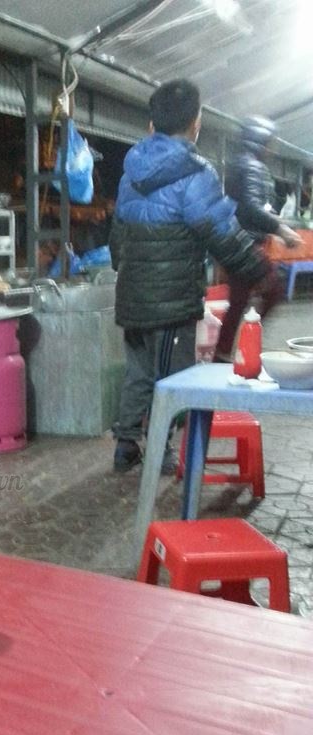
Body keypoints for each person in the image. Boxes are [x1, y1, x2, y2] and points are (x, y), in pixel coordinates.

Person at [109, 79, 270, 474]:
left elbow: (117, 236)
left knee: (138, 371)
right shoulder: (196, 174)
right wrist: (258, 270)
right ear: (196, 123)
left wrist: (127, 271)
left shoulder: (130, 173)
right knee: (171, 378)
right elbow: (221, 231)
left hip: (132, 296)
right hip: (171, 303)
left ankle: (126, 446)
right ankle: (161, 450)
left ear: (151, 124)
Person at [216, 117, 303, 360]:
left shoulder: (241, 164)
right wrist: (280, 229)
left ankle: (223, 353)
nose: (272, 148)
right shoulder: (252, 167)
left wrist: (273, 225)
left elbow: (251, 206)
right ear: (260, 141)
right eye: (270, 143)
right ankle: (246, 341)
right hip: (245, 245)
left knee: (238, 301)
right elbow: (251, 208)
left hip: (234, 242)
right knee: (274, 289)